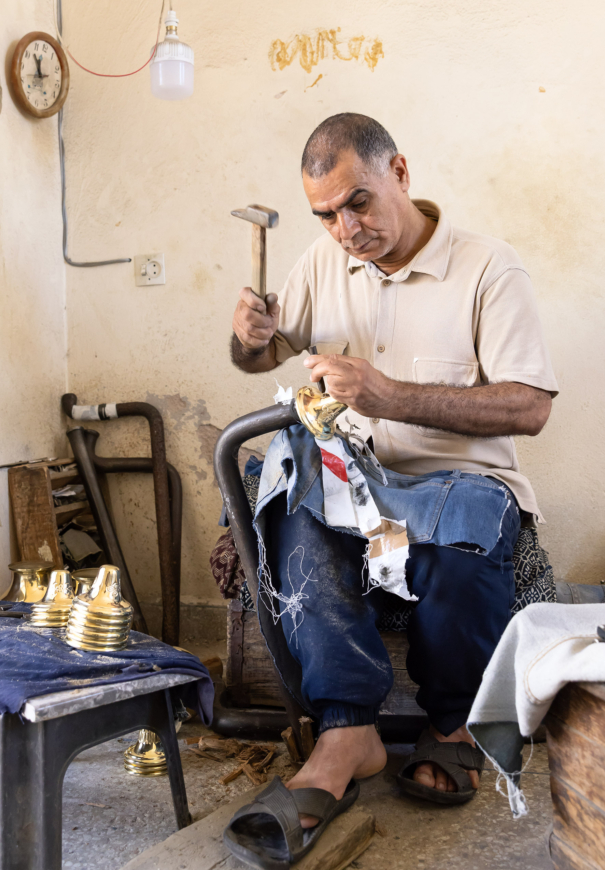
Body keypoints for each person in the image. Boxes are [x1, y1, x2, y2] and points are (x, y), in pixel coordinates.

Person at [228, 114, 557, 843]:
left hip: (458, 483)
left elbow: (529, 407)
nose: (345, 229)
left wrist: (390, 396)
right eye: (325, 214)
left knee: (467, 526)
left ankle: (455, 723)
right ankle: (348, 730)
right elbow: (260, 356)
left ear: (399, 174)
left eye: (358, 203)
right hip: (356, 484)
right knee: (287, 494)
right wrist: (248, 340)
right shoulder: (321, 260)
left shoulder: (487, 267)